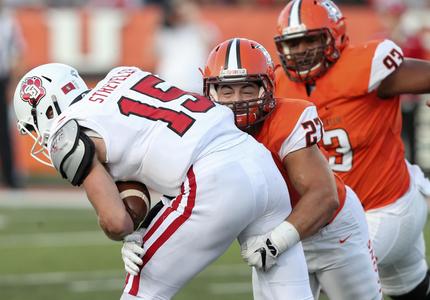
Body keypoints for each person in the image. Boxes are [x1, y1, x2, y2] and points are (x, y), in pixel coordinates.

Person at [13, 63, 313, 299]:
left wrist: (126, 234)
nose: (39, 136)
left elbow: (116, 221)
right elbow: (155, 149)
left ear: (47, 109)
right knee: (291, 295)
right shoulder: (123, 75)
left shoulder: (68, 130)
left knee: (142, 292)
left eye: (33, 126)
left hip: (213, 179)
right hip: (260, 164)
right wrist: (138, 224)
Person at [202, 38, 381, 300]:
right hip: (271, 237)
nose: (236, 101)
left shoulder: (288, 119)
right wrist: (140, 233)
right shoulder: (203, 130)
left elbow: (323, 197)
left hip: (330, 231)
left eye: (247, 90)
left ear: (267, 88)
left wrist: (276, 242)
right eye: (227, 91)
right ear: (210, 92)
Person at [274, 0, 430, 298]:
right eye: (292, 43)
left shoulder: (363, 66)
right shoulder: (280, 85)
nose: (301, 51)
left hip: (385, 208)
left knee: (331, 272)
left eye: (310, 40)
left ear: (335, 36)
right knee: (413, 291)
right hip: (347, 211)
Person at [0, 0, 25, 188]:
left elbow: (17, 54)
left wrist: (13, 84)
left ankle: (9, 177)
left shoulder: (8, 22)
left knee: (4, 132)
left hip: (2, 79)